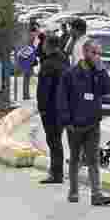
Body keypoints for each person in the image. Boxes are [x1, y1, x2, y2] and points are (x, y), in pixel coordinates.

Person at [57, 38, 110, 207]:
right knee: (75, 158)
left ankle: (96, 194)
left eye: (99, 53)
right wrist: (67, 121)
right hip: (74, 125)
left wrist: (101, 70)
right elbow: (62, 99)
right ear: (85, 52)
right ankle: (73, 191)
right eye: (94, 52)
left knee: (93, 159)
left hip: (92, 124)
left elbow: (108, 89)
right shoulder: (70, 73)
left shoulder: (98, 72)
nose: (97, 56)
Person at [36, 34, 68, 184]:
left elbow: (44, 89)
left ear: (48, 46)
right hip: (62, 107)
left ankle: (56, 173)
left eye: (44, 44)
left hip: (50, 108)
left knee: (53, 141)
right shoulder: (64, 59)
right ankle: (56, 171)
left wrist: (42, 107)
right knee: (57, 140)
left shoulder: (48, 64)